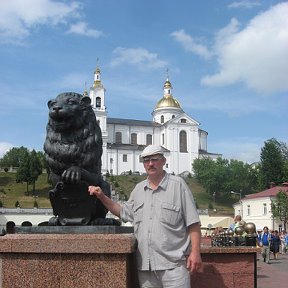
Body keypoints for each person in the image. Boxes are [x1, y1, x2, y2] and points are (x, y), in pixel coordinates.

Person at [88, 145, 202, 288]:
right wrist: (102, 197)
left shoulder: (178, 185)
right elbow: (123, 212)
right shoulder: (138, 189)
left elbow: (193, 223)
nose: (150, 164)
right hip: (145, 268)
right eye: (146, 160)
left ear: (163, 161)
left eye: (154, 159)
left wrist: (196, 252)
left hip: (174, 267)